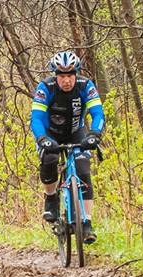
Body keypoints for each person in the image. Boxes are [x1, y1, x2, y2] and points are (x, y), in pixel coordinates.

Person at [31, 50, 105, 244]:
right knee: (50, 159)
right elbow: (36, 119)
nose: (66, 81)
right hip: (50, 133)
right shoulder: (45, 88)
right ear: (56, 76)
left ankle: (87, 223)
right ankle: (51, 197)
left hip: (76, 131)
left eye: (70, 76)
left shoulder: (85, 85)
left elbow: (98, 113)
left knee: (83, 170)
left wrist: (95, 134)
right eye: (62, 76)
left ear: (76, 74)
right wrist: (41, 138)